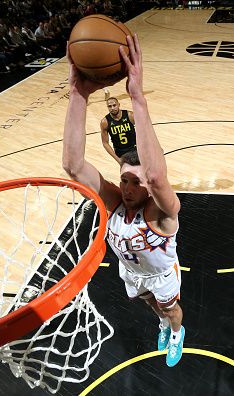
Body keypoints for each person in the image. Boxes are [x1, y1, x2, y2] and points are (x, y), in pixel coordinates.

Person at [62, 34, 185, 367]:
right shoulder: (116, 201)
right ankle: (161, 323)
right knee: (148, 303)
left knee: (170, 307)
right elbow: (73, 166)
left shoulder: (162, 213)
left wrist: (137, 98)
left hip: (161, 274)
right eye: (124, 181)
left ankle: (176, 332)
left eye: (136, 182)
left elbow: (158, 177)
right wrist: (78, 95)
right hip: (131, 270)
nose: (128, 188)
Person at [100, 96, 137, 164]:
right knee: (127, 173)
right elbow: (105, 143)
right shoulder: (105, 122)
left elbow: (143, 132)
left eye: (114, 105)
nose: (112, 108)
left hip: (135, 149)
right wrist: (118, 159)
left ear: (118, 105)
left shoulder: (130, 115)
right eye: (109, 106)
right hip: (120, 153)